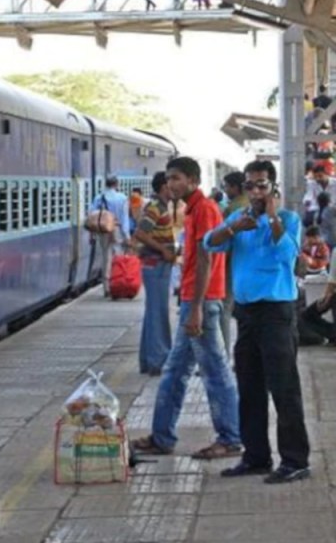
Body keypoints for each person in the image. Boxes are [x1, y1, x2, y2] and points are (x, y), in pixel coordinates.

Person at [204, 159, 311, 484]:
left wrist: (272, 216)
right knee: (249, 388)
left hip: (276, 314)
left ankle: (294, 460)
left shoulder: (289, 219)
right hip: (247, 313)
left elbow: (286, 255)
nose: (254, 191)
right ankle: (256, 457)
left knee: (283, 387)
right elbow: (210, 242)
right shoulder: (239, 219)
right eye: (249, 185)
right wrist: (234, 227)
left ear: (273, 187)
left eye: (261, 185)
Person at [132, 156, 241, 459]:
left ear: (193, 181)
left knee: (215, 371)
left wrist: (195, 308)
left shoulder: (204, 209)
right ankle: (162, 436)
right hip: (195, 299)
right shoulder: (192, 209)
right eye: (169, 178)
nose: (171, 183)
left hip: (202, 302)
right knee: (174, 371)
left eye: (177, 178)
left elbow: (207, 259)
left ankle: (230, 438)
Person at [133, 172, 176, 376]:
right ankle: (160, 359)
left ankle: (148, 360)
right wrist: (163, 250)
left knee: (153, 312)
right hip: (156, 264)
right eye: (171, 182)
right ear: (164, 187)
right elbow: (140, 233)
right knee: (158, 312)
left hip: (158, 265)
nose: (174, 187)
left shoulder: (161, 206)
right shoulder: (155, 207)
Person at [220, 172, 250, 356]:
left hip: (232, 261)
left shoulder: (234, 208)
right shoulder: (249, 204)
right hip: (246, 263)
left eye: (227, 186)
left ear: (236, 187)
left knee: (224, 308)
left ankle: (223, 355)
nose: (225, 190)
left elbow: (226, 238)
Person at [90, 176, 131, 297]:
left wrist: (92, 233)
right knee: (118, 257)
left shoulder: (99, 197)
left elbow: (92, 215)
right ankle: (117, 283)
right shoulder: (122, 198)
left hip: (104, 229)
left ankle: (106, 287)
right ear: (116, 184)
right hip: (117, 229)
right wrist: (127, 235)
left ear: (106, 184)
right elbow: (124, 218)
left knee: (106, 257)